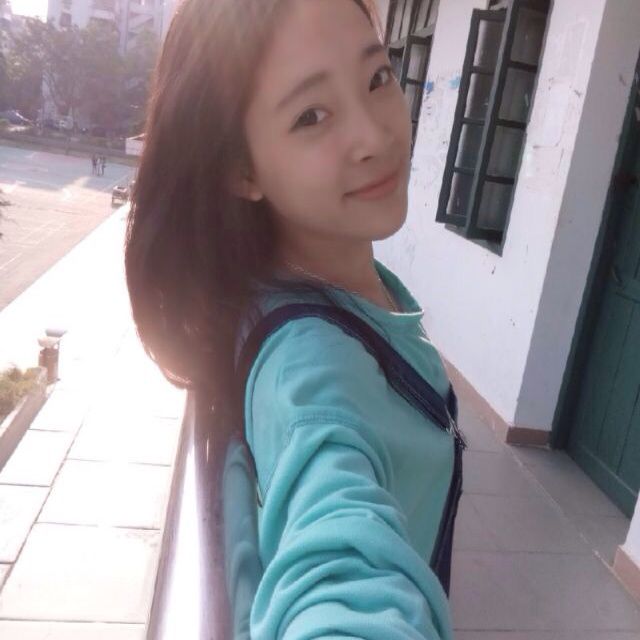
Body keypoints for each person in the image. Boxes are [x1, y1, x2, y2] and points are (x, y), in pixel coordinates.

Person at [124, 0, 461, 638]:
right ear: (240, 168)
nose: (374, 137)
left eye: (377, 78)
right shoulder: (308, 366)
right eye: (311, 115)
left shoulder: (333, 286)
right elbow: (336, 556)